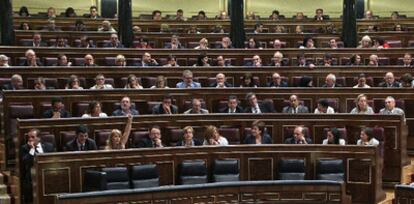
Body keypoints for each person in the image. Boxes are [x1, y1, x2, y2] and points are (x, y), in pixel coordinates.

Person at [20, 129, 55, 203]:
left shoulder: (49, 146)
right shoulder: (25, 148)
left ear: (39, 138)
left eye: (32, 137)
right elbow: (26, 162)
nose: (30, 139)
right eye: (29, 137)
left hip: (48, 176)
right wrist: (32, 149)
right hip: (32, 178)